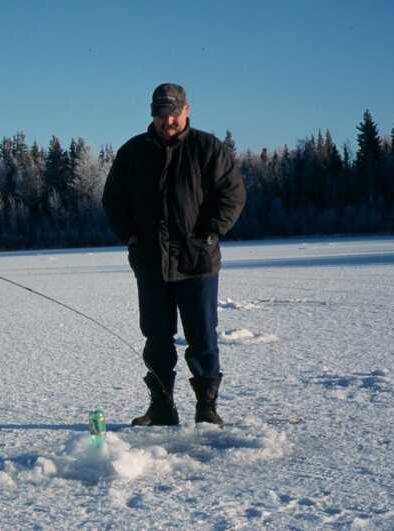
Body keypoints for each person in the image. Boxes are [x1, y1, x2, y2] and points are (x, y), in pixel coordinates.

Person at [102, 83, 245, 428]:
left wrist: (209, 232)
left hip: (197, 262)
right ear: (152, 114)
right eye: (161, 114)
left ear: (187, 110)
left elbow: (233, 194)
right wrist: (131, 236)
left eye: (174, 113)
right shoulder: (133, 152)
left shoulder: (207, 149)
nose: (168, 121)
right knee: (156, 335)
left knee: (202, 336)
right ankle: (162, 407)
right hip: (151, 262)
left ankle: (206, 409)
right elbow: (113, 201)